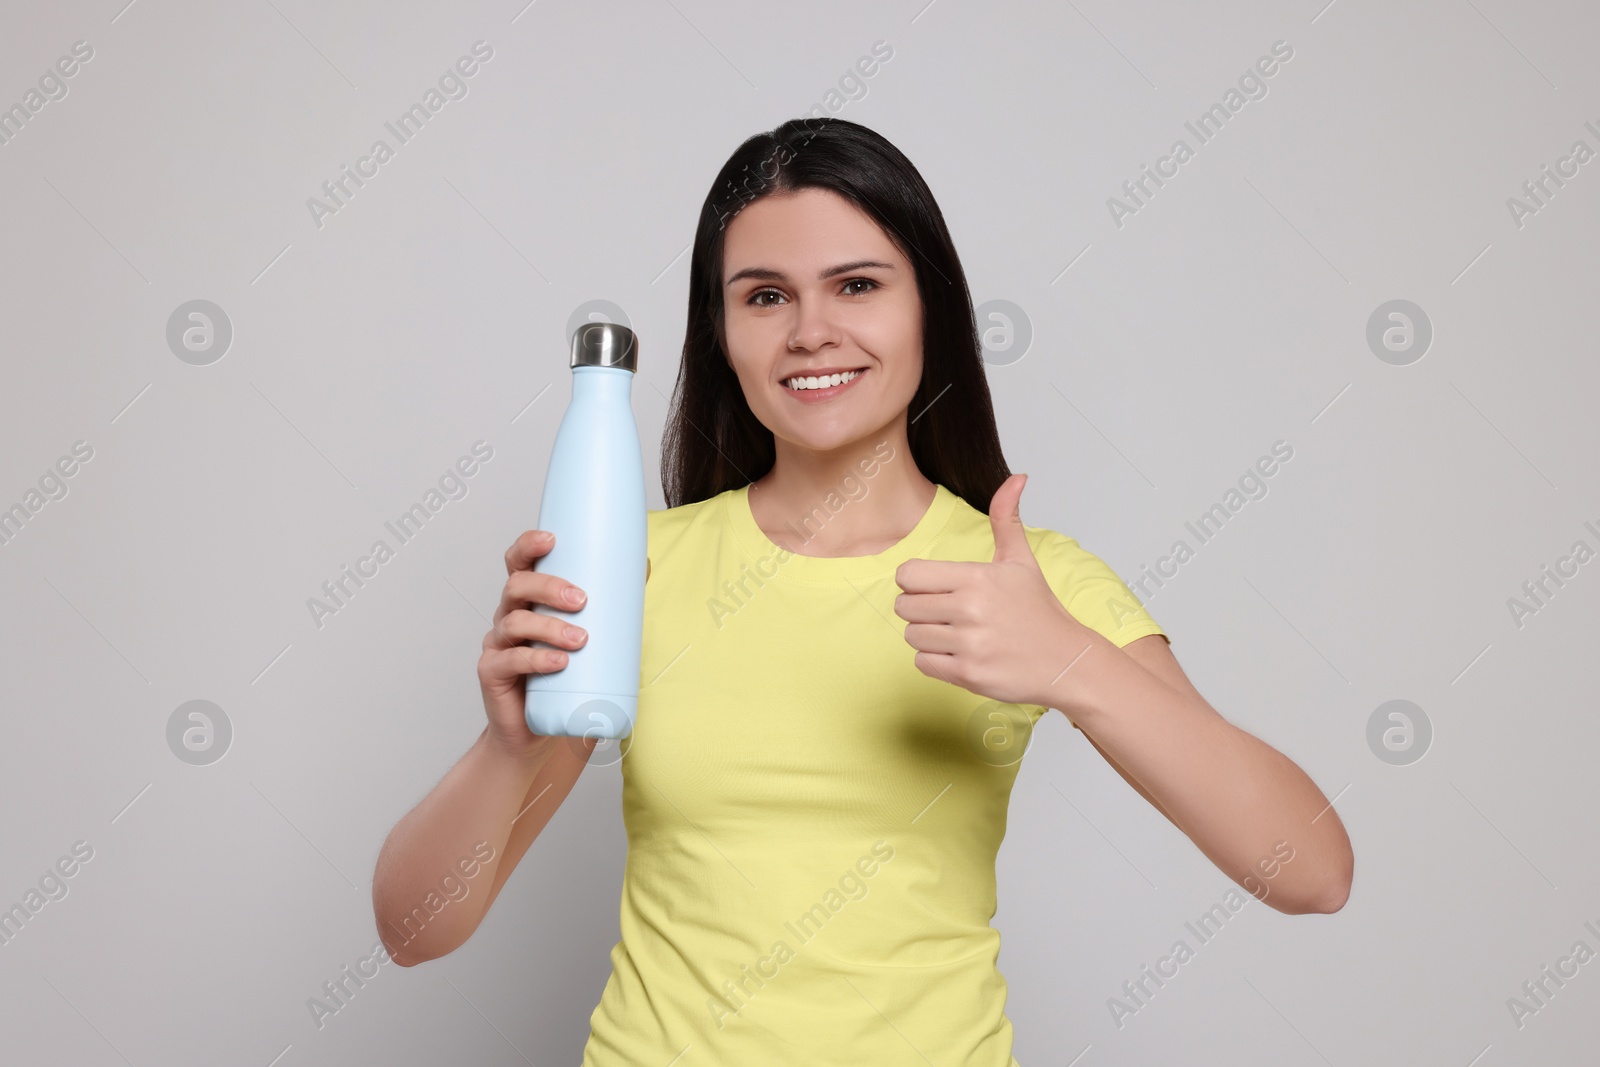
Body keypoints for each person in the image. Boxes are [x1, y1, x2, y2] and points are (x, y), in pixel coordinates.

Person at [372, 117, 1354, 1065]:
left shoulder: (1026, 580)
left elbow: (1310, 869)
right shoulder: (635, 568)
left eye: (855, 284)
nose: (810, 331)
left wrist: (1070, 658)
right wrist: (508, 745)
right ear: (721, 331)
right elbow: (415, 928)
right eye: (763, 296)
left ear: (928, 307)